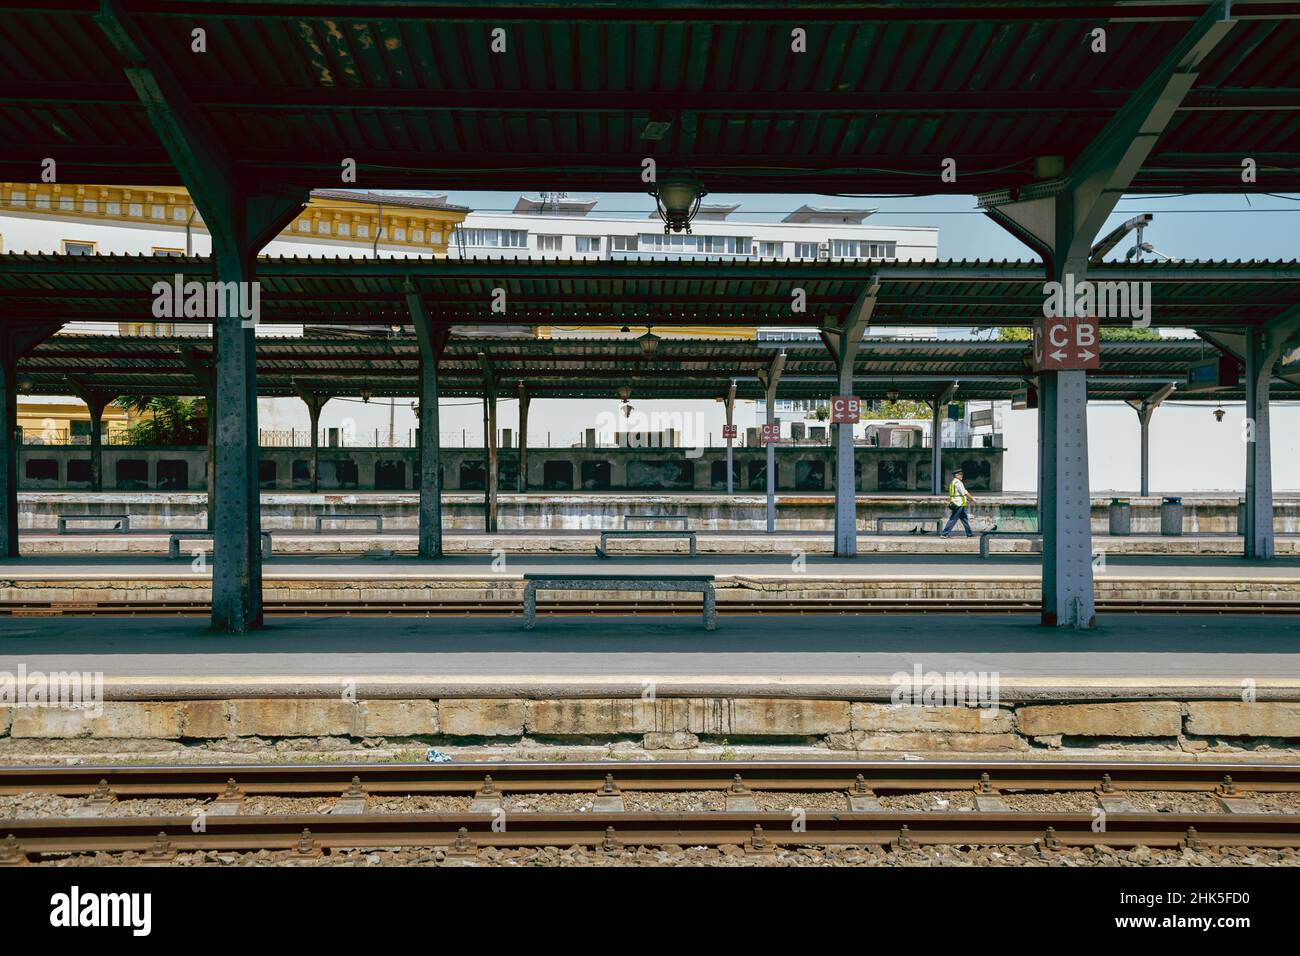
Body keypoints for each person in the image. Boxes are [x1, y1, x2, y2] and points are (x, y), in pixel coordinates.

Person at [941, 468, 974, 538]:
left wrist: (967, 499)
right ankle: (944, 533)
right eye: (960, 475)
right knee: (953, 519)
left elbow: (958, 493)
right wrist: (972, 498)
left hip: (959, 502)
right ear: (957, 475)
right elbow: (964, 492)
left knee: (964, 519)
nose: (962, 476)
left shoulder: (953, 482)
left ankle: (969, 533)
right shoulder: (957, 482)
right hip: (958, 503)